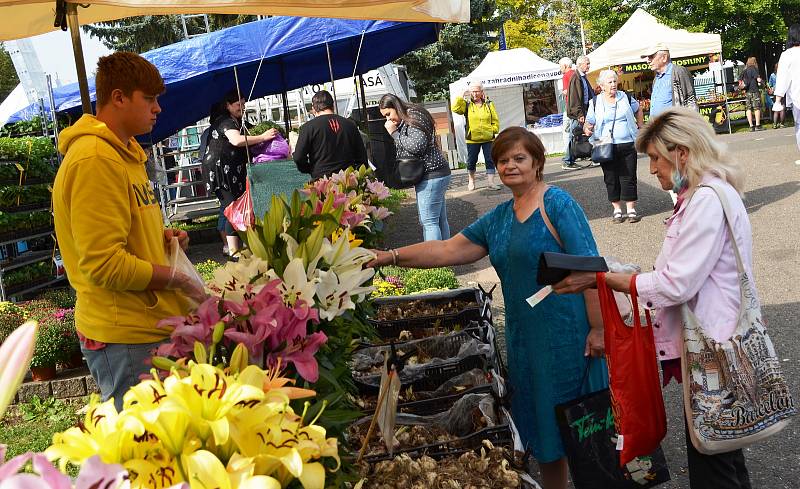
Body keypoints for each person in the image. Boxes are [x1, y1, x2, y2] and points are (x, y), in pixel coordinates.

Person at [369, 126, 608, 489]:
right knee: (543, 432)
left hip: (565, 335)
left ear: (538, 162)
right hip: (524, 339)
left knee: (582, 427)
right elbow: (447, 250)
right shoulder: (499, 217)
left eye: (518, 159)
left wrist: (599, 327)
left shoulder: (557, 204)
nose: (510, 166)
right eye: (502, 160)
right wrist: (389, 256)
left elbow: (590, 267)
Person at [553, 107, 752, 489]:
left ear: (682, 152)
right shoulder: (702, 195)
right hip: (715, 340)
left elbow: (676, 284)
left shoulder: (706, 199)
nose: (652, 170)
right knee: (722, 451)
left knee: (714, 461)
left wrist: (604, 278)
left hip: (714, 343)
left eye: (656, 159)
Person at [52, 52, 206, 412]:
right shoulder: (95, 159)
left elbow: (124, 232)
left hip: (145, 327)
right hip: (124, 336)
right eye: (149, 99)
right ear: (119, 97)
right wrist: (177, 280)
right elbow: (104, 264)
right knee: (144, 454)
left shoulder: (126, 154)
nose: (158, 109)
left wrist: (162, 240)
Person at [203, 89, 279, 258]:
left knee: (236, 209)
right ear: (228, 105)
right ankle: (234, 251)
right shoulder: (225, 121)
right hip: (222, 173)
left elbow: (252, 133)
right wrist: (263, 137)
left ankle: (238, 250)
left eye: (244, 104)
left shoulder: (238, 121)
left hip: (234, 173)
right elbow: (237, 140)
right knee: (234, 210)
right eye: (238, 104)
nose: (242, 108)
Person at [379, 94, 452, 241]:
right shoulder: (413, 114)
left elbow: (417, 146)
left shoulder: (413, 116)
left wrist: (394, 133)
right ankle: (445, 256)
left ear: (396, 107)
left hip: (430, 175)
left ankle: (435, 260)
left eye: (388, 114)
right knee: (438, 219)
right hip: (437, 172)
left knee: (429, 222)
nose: (388, 119)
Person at [584, 70, 644, 223]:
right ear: (602, 86)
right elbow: (589, 121)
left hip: (627, 142)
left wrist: (641, 126)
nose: (613, 84)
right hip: (605, 145)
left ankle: (631, 209)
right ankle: (617, 209)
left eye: (614, 81)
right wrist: (587, 128)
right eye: (609, 82)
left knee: (629, 176)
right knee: (610, 178)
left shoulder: (626, 97)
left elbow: (639, 110)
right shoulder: (595, 102)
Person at [293, 90, 368, 180]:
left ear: (314, 109)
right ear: (333, 106)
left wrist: (310, 169)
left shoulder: (308, 127)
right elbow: (362, 157)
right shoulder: (350, 125)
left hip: (322, 181)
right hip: (347, 181)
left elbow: (298, 157)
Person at [451, 81, 501, 190]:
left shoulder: (489, 104)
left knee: (490, 159)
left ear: (481, 91)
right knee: (472, 161)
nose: (475, 93)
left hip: (488, 138)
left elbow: (495, 119)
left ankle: (491, 183)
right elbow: (455, 108)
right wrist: (461, 95)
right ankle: (471, 181)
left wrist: (493, 130)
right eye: (472, 91)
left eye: (477, 91)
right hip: (472, 139)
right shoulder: (467, 104)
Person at [642, 43, 698, 118]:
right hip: (658, 127)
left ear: (664, 57)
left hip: (673, 127)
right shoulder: (656, 78)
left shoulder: (678, 72)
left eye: (651, 57)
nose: (648, 61)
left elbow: (691, 101)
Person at [775, 23, 800, 164]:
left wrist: (778, 100)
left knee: (799, 125)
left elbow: (782, 78)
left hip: (797, 95)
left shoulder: (787, 55)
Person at [566, 55, 596, 170]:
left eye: (589, 63)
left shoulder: (582, 77)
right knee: (574, 136)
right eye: (587, 63)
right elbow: (574, 98)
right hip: (578, 113)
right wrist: (579, 114)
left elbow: (586, 94)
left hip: (584, 111)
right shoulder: (576, 78)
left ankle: (590, 157)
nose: (589, 66)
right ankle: (568, 160)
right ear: (580, 64)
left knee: (582, 134)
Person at [559, 57, 576, 169]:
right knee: (574, 133)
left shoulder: (566, 76)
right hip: (576, 108)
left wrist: (563, 93)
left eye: (560, 66)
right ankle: (570, 159)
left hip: (570, 109)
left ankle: (567, 160)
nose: (560, 68)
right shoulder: (575, 74)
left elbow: (566, 91)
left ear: (565, 66)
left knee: (569, 134)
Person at [739, 57, 764, 131]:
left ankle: (751, 126)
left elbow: (740, 80)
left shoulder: (744, 70)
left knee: (748, 108)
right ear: (754, 62)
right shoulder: (754, 69)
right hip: (754, 90)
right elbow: (758, 79)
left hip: (747, 92)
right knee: (756, 108)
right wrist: (761, 82)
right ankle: (758, 125)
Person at [767, 63, 785, 128]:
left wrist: (771, 89)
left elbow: (770, 84)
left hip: (776, 92)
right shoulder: (784, 75)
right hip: (782, 91)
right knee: (782, 107)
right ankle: (782, 124)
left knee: (776, 108)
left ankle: (774, 124)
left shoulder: (772, 75)